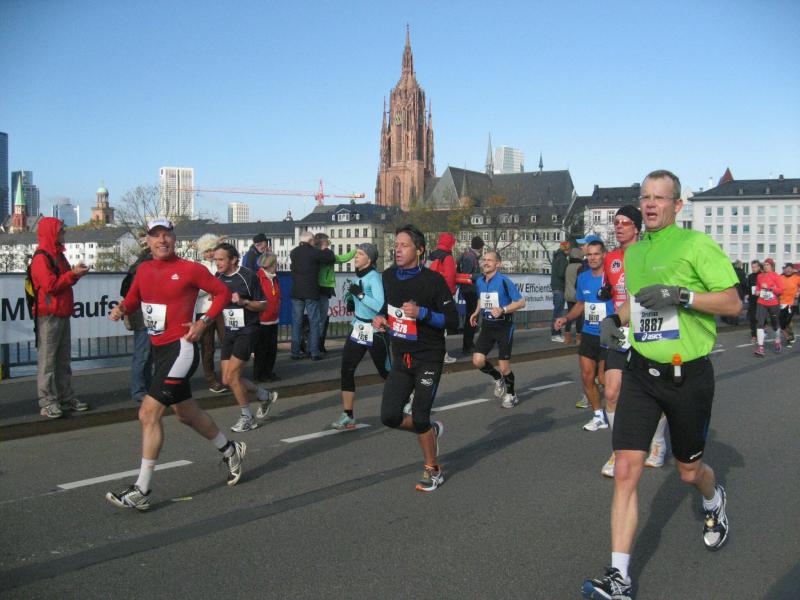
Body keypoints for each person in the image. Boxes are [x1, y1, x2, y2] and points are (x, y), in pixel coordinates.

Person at [582, 170, 741, 599]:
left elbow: (732, 302)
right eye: (645, 197)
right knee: (626, 470)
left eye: (660, 197)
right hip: (642, 373)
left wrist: (681, 296)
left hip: (688, 377)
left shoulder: (695, 245)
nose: (650, 204)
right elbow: (634, 308)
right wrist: (614, 337)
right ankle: (619, 577)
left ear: (677, 205)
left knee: (689, 472)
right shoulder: (633, 254)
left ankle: (713, 497)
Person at [106, 219, 245, 511]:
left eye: (166, 235)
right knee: (186, 413)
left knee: (148, 413)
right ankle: (230, 449)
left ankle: (142, 489)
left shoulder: (189, 269)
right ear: (147, 241)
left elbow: (221, 293)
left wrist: (203, 322)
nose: (162, 241)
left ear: (174, 239)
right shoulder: (144, 269)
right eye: (155, 236)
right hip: (160, 351)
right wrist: (122, 308)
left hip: (181, 349)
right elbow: (134, 298)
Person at [373, 224, 458, 492]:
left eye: (404, 245)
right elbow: (388, 307)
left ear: (419, 250)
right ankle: (430, 430)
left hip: (428, 356)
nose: (397, 250)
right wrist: (381, 318)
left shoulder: (433, 281)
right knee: (389, 416)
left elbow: (453, 321)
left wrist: (422, 313)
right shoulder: (388, 276)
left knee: (420, 416)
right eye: (396, 245)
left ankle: (433, 469)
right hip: (401, 356)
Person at [597, 205, 667, 479]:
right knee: (611, 392)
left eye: (625, 222)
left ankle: (657, 442)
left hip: (649, 330)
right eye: (616, 222)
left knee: (656, 392)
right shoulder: (611, 258)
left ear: (637, 227)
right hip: (621, 332)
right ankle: (620, 450)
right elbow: (610, 287)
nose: (618, 226)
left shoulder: (651, 254)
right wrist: (605, 293)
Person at [214, 243, 278, 432]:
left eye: (221, 259)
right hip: (230, 330)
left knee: (233, 375)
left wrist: (243, 301)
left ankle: (247, 417)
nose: (217, 263)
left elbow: (263, 305)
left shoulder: (248, 276)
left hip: (248, 330)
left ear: (233, 259)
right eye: (216, 260)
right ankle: (264, 395)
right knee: (227, 379)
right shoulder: (218, 277)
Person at [30, 217, 90, 418]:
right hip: (49, 314)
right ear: (52, 233)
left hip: (60, 312)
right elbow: (50, 286)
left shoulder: (56, 255)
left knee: (62, 360)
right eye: (61, 231)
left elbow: (60, 282)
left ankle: (64, 398)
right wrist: (73, 274)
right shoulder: (42, 258)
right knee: (48, 360)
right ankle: (47, 401)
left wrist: (74, 274)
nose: (64, 233)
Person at [554, 238, 614, 432]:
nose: (593, 258)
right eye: (589, 254)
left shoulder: (612, 277)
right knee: (587, 376)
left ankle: (620, 409)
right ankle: (598, 415)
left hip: (609, 333)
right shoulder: (583, 277)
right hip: (589, 332)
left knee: (604, 380)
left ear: (604, 255)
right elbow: (580, 304)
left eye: (597, 254)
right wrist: (566, 318)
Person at [331, 243, 391, 429]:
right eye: (356, 254)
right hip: (359, 328)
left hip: (376, 330)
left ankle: (408, 397)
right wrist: (352, 301)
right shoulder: (359, 275)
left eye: (360, 254)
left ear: (369, 259)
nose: (356, 257)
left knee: (385, 372)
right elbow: (359, 300)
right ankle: (348, 415)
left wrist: (361, 296)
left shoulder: (374, 277)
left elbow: (380, 305)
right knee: (346, 369)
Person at [469, 250, 526, 408]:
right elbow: (481, 298)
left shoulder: (504, 281)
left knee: (504, 366)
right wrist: (476, 312)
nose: (486, 262)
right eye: (484, 260)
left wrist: (503, 309)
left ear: (498, 264)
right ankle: (497, 377)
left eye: (490, 260)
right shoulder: (480, 281)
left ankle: (511, 394)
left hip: (503, 326)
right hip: (487, 325)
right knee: (478, 360)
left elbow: (521, 302)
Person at [290, 231, 335, 360]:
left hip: (296, 292)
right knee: (314, 322)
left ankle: (295, 352)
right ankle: (314, 352)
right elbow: (330, 258)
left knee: (297, 322)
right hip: (311, 292)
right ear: (311, 241)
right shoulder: (314, 252)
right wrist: (325, 248)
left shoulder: (293, 252)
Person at [120, 240, 153, 403]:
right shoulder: (146, 266)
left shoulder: (139, 264)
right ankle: (139, 389)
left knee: (145, 354)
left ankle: (144, 388)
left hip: (142, 314)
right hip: (143, 314)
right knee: (144, 354)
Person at [194, 233, 226, 393]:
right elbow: (195, 290)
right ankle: (211, 379)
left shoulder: (221, 265)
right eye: (207, 251)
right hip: (204, 311)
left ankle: (229, 375)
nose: (210, 253)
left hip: (221, 310)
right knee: (208, 348)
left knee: (227, 342)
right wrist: (212, 288)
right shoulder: (197, 267)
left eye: (212, 249)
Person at [315, 232, 357, 353]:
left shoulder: (314, 254)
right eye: (328, 242)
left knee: (316, 319)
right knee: (321, 319)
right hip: (324, 287)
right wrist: (355, 251)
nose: (329, 244)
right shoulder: (327, 255)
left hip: (315, 288)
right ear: (323, 242)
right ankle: (317, 346)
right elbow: (343, 258)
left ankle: (314, 346)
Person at [427, 231, 458, 363]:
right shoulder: (448, 257)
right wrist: (451, 294)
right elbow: (450, 279)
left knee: (431, 324)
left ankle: (430, 352)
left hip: (429, 294)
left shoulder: (431, 255)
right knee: (442, 325)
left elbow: (425, 273)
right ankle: (442, 355)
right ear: (451, 243)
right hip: (442, 296)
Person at [253, 253, 282, 382]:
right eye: (275, 263)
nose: (277, 265)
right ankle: (259, 374)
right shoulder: (258, 278)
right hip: (262, 320)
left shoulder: (274, 278)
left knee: (272, 349)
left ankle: (269, 372)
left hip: (273, 318)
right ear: (269, 264)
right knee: (261, 349)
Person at [456, 236, 484, 354]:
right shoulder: (470, 258)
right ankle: (468, 345)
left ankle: (469, 343)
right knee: (472, 316)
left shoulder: (468, 255)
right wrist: (480, 275)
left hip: (469, 290)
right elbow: (466, 276)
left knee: (472, 316)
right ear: (480, 247)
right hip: (469, 290)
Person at [753, 257, 783, 357]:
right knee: (760, 323)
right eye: (764, 264)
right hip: (761, 302)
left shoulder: (776, 276)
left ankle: (777, 341)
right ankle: (760, 347)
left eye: (767, 265)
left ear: (772, 266)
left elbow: (780, 290)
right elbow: (758, 287)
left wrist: (770, 288)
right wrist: (757, 291)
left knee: (775, 324)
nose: (765, 266)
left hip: (773, 303)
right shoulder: (759, 276)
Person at [564, 246, 584, 346]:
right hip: (577, 294)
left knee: (569, 315)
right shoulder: (580, 266)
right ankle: (579, 338)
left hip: (568, 294)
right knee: (579, 316)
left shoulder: (568, 266)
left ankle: (567, 338)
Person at [549, 241, 569, 342]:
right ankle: (555, 334)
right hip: (560, 287)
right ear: (566, 249)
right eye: (569, 250)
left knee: (557, 311)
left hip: (556, 287)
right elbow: (562, 273)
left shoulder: (557, 257)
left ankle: (556, 333)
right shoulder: (563, 259)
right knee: (558, 312)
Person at [778, 263, 800, 347]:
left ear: (793, 270)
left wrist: (799, 292)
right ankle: (789, 336)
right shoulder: (780, 278)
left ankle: (790, 336)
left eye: (790, 268)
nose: (788, 270)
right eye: (787, 268)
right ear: (784, 269)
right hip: (782, 303)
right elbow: (776, 287)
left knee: (787, 320)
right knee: (782, 323)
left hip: (792, 303)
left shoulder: (797, 278)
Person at [745, 260, 762, 343]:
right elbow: (747, 287)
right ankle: (754, 335)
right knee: (752, 318)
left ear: (759, 267)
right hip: (752, 300)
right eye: (752, 267)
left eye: (755, 267)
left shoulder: (763, 275)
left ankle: (761, 332)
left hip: (761, 300)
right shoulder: (750, 276)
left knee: (760, 318)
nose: (753, 269)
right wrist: (747, 294)